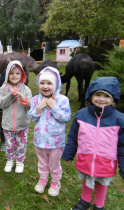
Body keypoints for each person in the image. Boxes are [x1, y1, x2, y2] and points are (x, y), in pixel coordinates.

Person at [62, 77, 124, 209]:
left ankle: (99, 205)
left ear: (113, 100)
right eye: (98, 95)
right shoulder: (81, 115)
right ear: (91, 96)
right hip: (86, 157)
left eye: (106, 96)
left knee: (101, 183)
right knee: (87, 179)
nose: (101, 99)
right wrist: (69, 154)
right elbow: (73, 136)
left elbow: (122, 146)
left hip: (105, 161)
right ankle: (84, 201)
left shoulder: (119, 119)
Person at [28, 67, 71, 197]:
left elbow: (65, 117)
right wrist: (39, 109)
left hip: (56, 142)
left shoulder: (63, 100)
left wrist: (54, 107)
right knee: (42, 162)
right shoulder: (36, 100)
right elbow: (32, 117)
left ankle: (55, 182)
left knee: (54, 163)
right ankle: (43, 179)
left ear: (56, 84)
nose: (45, 86)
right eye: (42, 83)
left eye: (49, 83)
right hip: (40, 140)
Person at [0, 60, 32, 174]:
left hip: (22, 124)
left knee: (21, 144)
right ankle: (10, 160)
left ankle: (20, 161)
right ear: (7, 74)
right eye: (11, 73)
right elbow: (1, 104)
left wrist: (24, 99)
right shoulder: (3, 89)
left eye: (17, 73)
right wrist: (11, 95)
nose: (14, 76)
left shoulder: (26, 89)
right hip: (7, 124)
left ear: (22, 75)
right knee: (9, 144)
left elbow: (31, 106)